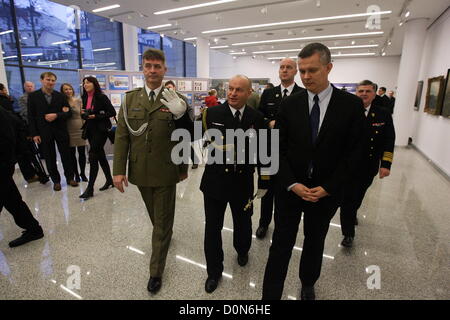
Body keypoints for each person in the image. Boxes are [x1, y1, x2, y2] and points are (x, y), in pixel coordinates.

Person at [262, 43, 365, 300]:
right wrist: (290, 183)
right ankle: (270, 295)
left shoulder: (350, 106)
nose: (306, 76)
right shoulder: (290, 104)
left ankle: (308, 282)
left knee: (314, 239)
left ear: (328, 68)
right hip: (290, 189)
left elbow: (357, 153)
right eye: (302, 70)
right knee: (281, 243)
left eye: (313, 70)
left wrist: (330, 186)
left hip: (326, 191)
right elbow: (277, 149)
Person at [113, 48, 193, 294]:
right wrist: (118, 170)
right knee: (157, 217)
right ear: (142, 68)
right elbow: (122, 137)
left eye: (157, 66)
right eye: (148, 65)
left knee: (160, 222)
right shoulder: (129, 100)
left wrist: (183, 167)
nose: (152, 70)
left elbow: (186, 137)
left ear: (164, 69)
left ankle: (155, 271)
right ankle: (165, 233)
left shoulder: (176, 99)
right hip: (140, 171)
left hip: (167, 170)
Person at [200, 75, 269, 293]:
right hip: (215, 183)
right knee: (212, 229)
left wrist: (264, 180)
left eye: (239, 90)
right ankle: (214, 271)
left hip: (243, 183)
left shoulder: (257, 118)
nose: (232, 93)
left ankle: (242, 249)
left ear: (249, 93)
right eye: (230, 89)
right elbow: (193, 138)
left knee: (243, 223)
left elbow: (265, 151)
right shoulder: (211, 114)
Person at [339, 80, 395, 247]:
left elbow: (389, 140)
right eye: (360, 91)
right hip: (348, 165)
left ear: (374, 93)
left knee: (358, 195)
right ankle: (348, 233)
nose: (364, 94)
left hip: (369, 165)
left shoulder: (383, 114)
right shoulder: (348, 112)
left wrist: (386, 164)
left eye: (368, 91)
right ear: (356, 93)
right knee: (348, 199)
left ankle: (353, 211)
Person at [256, 58, 304, 239]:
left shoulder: (302, 93)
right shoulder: (269, 94)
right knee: (266, 189)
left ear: (295, 71)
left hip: (290, 154)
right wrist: (269, 122)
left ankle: (281, 227)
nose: (284, 70)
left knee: (286, 191)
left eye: (289, 68)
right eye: (282, 67)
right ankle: (263, 223)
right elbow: (259, 115)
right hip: (268, 152)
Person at [0, 106, 44, 248]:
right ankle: (33, 229)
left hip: (2, 164)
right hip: (5, 164)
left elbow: (13, 129)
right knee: (11, 199)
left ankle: (34, 229)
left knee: (11, 199)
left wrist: (9, 159)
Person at [27, 72, 78, 191]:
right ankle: (56, 181)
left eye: (53, 80)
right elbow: (31, 116)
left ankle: (70, 178)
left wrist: (56, 115)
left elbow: (68, 113)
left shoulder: (60, 96)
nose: (50, 82)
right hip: (44, 131)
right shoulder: (34, 96)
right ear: (42, 80)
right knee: (49, 157)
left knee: (66, 155)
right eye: (48, 80)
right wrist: (34, 134)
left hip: (60, 130)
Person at [79, 77, 116, 199]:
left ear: (94, 84)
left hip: (101, 130)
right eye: (84, 83)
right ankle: (109, 180)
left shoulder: (101, 97)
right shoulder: (84, 97)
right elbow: (85, 113)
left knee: (93, 155)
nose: (85, 85)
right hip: (90, 129)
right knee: (100, 155)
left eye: (88, 82)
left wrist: (96, 116)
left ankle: (90, 188)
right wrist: (84, 115)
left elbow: (111, 112)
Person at [164, 80, 199, 169]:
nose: (168, 89)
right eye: (166, 88)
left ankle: (195, 160)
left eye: (170, 88)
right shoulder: (164, 98)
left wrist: (190, 120)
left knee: (185, 144)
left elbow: (190, 109)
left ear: (174, 88)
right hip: (169, 126)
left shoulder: (181, 98)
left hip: (180, 125)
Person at [61, 83, 88, 183]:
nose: (68, 91)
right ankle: (76, 174)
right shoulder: (61, 102)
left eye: (69, 89)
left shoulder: (78, 100)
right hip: (68, 128)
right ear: (62, 91)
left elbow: (83, 114)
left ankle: (83, 173)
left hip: (79, 127)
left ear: (72, 90)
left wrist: (85, 128)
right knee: (71, 154)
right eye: (65, 89)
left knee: (82, 153)